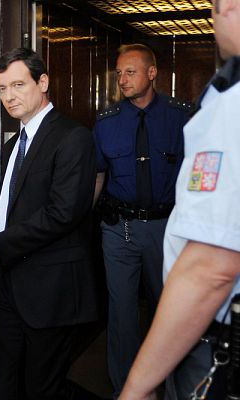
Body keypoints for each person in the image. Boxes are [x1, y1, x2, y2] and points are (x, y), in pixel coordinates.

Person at [120, 0, 240, 398]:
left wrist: (136, 388)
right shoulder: (109, 121)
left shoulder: (227, 104)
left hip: (216, 336)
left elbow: (212, 267)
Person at [0, 47, 98, 400]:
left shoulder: (73, 137)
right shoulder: (13, 147)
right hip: (9, 287)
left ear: (43, 82)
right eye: (1, 89)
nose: (9, 96)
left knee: (42, 390)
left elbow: (62, 213)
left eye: (18, 85)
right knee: (5, 385)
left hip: (51, 291)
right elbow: (12, 212)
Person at [93, 43, 191, 397]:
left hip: (168, 230)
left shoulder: (183, 117)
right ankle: (127, 390)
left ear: (152, 73)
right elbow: (98, 177)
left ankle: (171, 388)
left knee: (168, 312)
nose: (122, 79)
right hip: (119, 229)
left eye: (130, 71)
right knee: (122, 316)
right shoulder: (106, 123)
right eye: (119, 73)